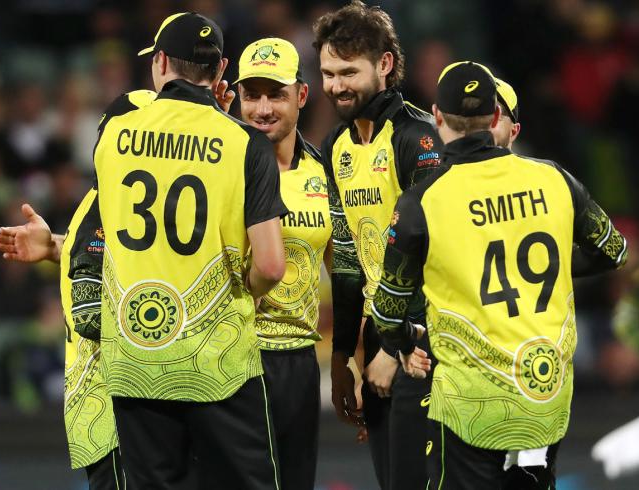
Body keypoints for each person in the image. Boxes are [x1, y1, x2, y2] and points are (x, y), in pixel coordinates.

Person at [372, 60, 628, 489]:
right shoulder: (553, 178)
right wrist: (555, 268)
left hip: (470, 404)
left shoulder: (422, 202)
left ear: (436, 117)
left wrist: (401, 343)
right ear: (495, 117)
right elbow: (613, 251)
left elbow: (387, 310)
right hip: (542, 393)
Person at [90, 12, 286, 489]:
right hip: (216, 359)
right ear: (221, 71)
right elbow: (270, 265)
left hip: (137, 352)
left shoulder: (113, 131)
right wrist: (250, 292)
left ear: (160, 63)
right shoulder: (246, 145)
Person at [0, 89, 158, 490]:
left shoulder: (130, 206)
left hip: (130, 412)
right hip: (118, 414)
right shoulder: (106, 207)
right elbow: (90, 318)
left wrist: (55, 246)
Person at [313, 2, 438, 488]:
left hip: (423, 346)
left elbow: (433, 250)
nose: (337, 85)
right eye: (327, 72)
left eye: (349, 71)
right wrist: (345, 356)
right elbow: (346, 258)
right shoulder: (335, 146)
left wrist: (394, 344)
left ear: (384, 65)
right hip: (379, 347)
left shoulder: (417, 138)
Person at [233, 37, 332, 490]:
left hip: (300, 362)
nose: (263, 108)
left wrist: (353, 354)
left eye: (276, 94)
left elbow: (346, 270)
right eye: (252, 95)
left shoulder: (325, 174)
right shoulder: (220, 171)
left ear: (302, 97)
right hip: (236, 358)